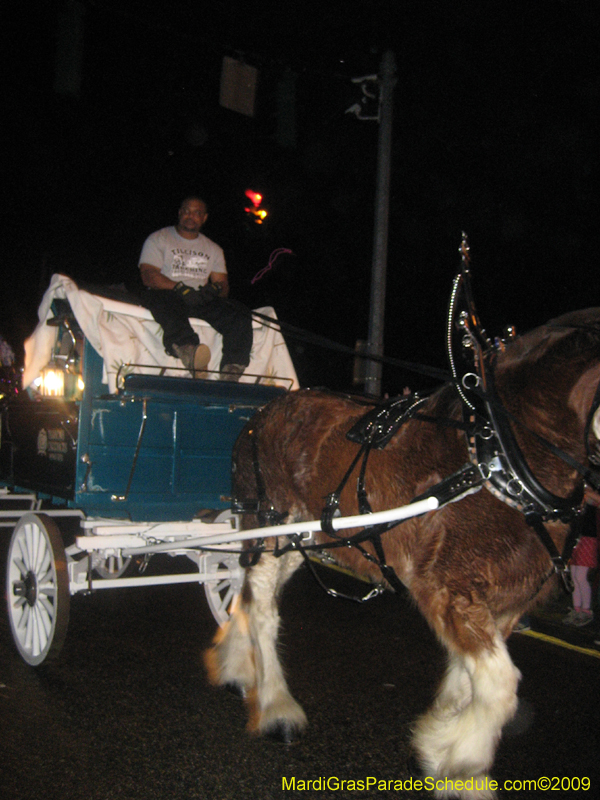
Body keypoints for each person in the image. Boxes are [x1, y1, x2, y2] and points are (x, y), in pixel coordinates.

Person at [139, 196, 253, 380]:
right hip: (169, 294)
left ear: (205, 218)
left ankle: (232, 369)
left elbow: (223, 286)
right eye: (187, 211)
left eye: (197, 213)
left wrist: (213, 290)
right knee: (162, 299)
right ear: (179, 213)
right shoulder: (159, 238)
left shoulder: (214, 249)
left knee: (240, 313)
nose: (191, 216)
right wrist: (179, 288)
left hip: (199, 299)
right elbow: (148, 275)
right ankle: (190, 352)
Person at [563, 488, 599, 627]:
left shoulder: (590, 494)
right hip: (576, 537)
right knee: (574, 577)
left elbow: (593, 498)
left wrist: (586, 492)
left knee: (581, 577)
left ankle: (586, 610)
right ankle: (577, 608)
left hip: (588, 537)